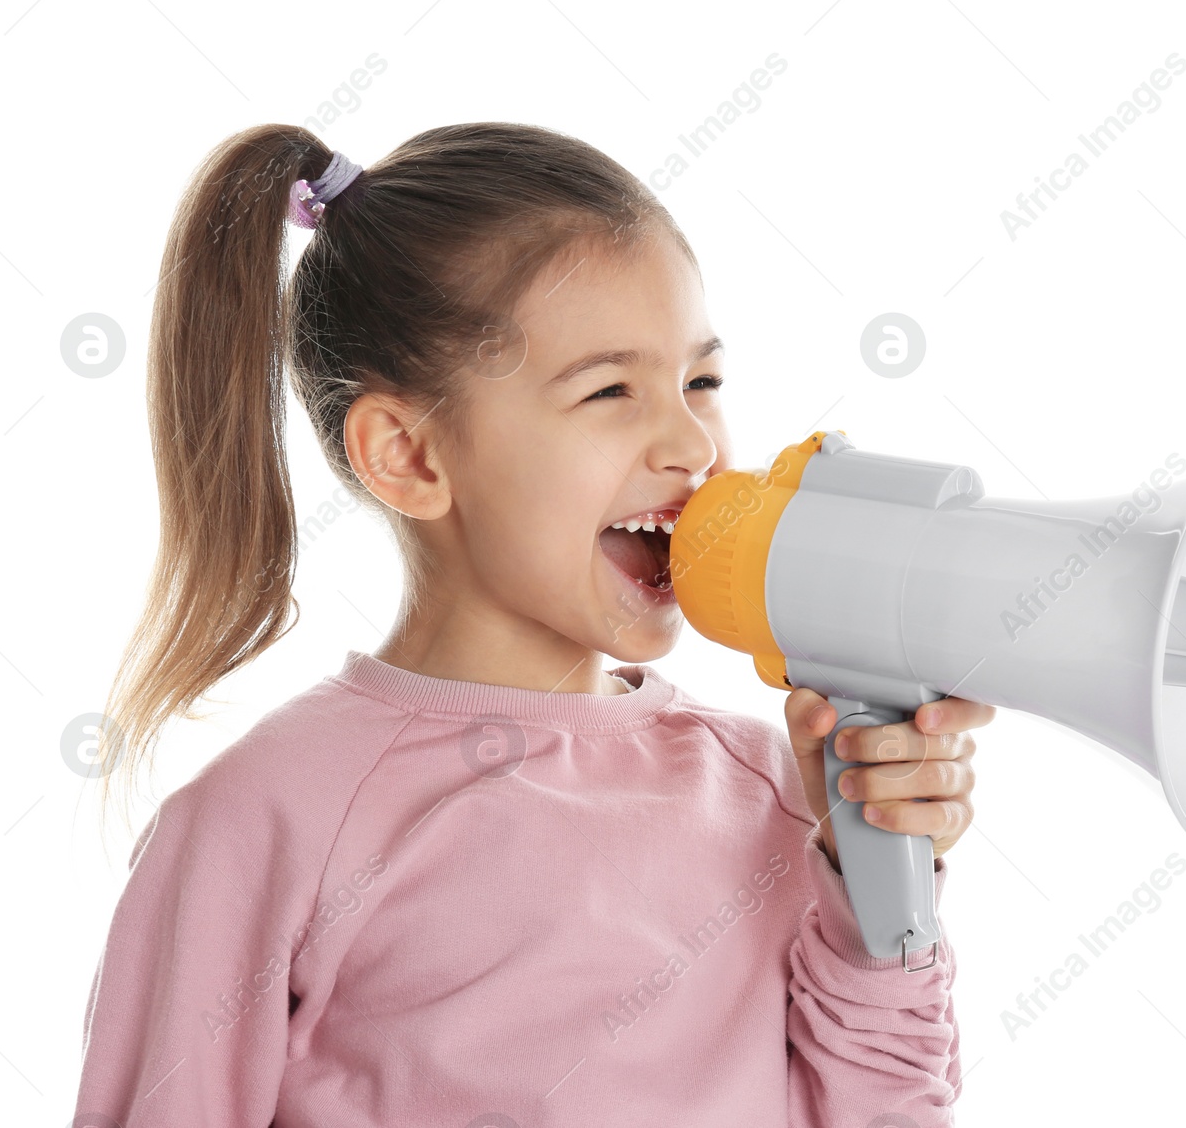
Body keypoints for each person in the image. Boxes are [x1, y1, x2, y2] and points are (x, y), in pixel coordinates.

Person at [73, 122, 992, 1127]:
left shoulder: (771, 784)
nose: (693, 441)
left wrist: (872, 877)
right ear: (410, 457)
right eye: (609, 390)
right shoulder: (264, 818)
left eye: (702, 382)